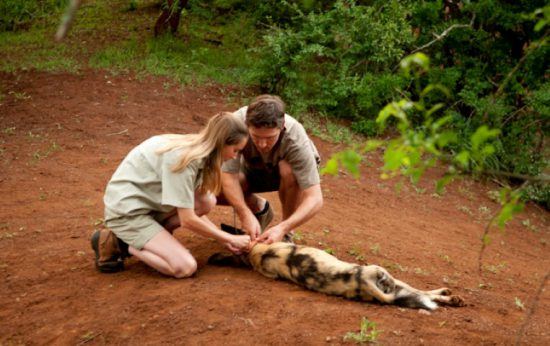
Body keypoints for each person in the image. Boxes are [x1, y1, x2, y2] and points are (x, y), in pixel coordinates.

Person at [91, 112, 251, 278]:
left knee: (206, 201)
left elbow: (190, 206)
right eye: (235, 150)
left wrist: (224, 240)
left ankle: (153, 239)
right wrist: (229, 238)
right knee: (185, 267)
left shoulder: (200, 150)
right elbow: (187, 219)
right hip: (128, 213)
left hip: (150, 203)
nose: (235, 156)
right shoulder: (185, 160)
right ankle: (123, 243)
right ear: (221, 143)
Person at [219, 95, 323, 244]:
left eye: (270, 138)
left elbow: (315, 198)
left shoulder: (295, 138)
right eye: (255, 136)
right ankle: (259, 209)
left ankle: (286, 235)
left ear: (282, 127)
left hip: (283, 176)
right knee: (213, 191)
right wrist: (245, 214)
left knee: (289, 170)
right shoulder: (235, 125)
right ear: (246, 125)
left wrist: (283, 228)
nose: (262, 144)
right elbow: (228, 176)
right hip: (251, 169)